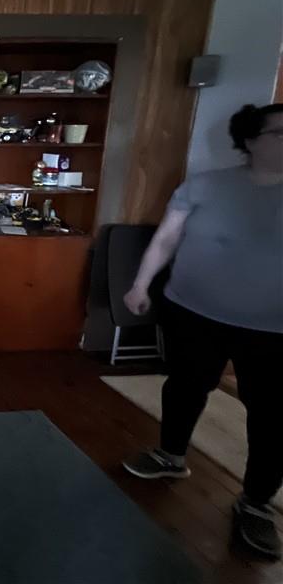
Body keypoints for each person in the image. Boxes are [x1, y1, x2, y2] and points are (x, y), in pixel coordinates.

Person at [121, 103, 283, 559]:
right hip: (193, 312)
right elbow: (167, 239)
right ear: (251, 140)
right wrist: (140, 284)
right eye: (280, 133)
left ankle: (256, 503)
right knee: (185, 387)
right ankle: (170, 456)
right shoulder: (205, 185)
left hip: (272, 330)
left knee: (273, 416)